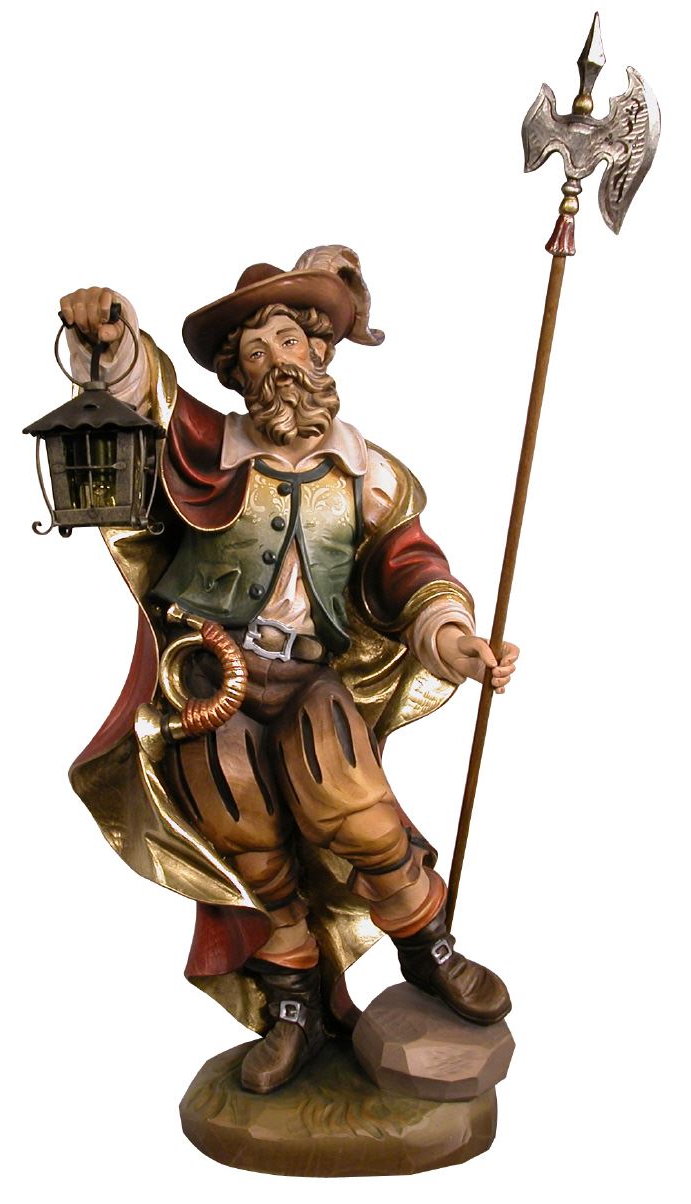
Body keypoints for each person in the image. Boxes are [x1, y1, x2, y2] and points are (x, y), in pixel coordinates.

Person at [62, 245, 519, 1095]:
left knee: (355, 809)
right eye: (253, 352)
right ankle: (293, 1006)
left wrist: (452, 635)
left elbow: (408, 566)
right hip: (209, 679)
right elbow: (143, 391)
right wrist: (110, 333)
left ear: (319, 351)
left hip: (311, 678)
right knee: (245, 839)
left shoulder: (367, 473)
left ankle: (428, 947)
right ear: (236, 376)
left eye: (286, 342)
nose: (275, 363)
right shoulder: (207, 448)